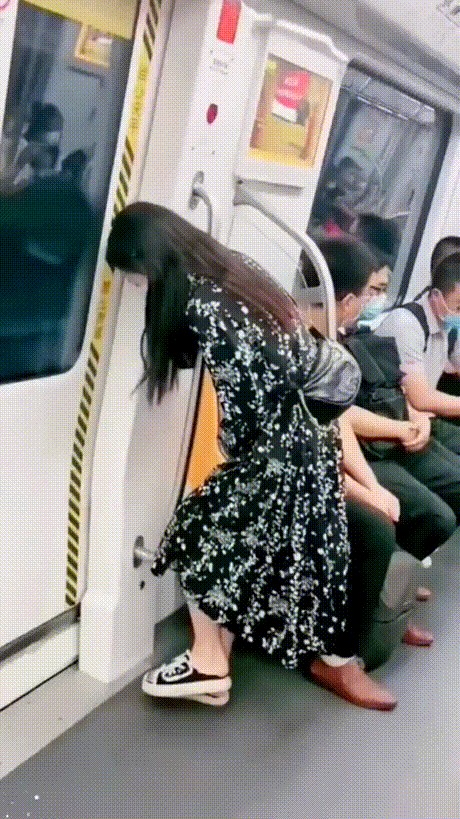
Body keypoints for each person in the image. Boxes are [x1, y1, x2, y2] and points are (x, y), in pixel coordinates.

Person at [106, 202, 398, 711]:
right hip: (307, 438)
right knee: (225, 540)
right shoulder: (237, 270)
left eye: (135, 275)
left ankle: (209, 664)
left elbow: (247, 398)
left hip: (279, 449)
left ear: (151, 262)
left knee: (195, 534)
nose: (136, 285)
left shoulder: (204, 306)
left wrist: (236, 454)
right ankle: (215, 651)